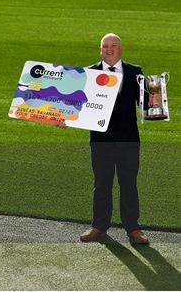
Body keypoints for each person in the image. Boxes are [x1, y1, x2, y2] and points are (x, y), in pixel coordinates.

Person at [80, 33, 156, 244]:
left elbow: (148, 105)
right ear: (100, 50)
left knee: (128, 183)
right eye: (105, 46)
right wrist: (64, 118)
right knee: (101, 184)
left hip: (128, 140)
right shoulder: (90, 73)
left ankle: (133, 228)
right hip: (100, 141)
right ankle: (98, 226)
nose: (109, 49)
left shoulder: (135, 72)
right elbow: (79, 105)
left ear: (121, 49)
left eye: (113, 45)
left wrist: (157, 99)